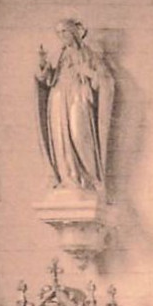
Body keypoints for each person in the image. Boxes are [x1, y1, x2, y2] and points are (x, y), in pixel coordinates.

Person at [36, 18, 115, 193]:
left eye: (64, 31)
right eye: (59, 33)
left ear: (73, 33)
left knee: (79, 133)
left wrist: (87, 72)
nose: (61, 36)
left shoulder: (89, 55)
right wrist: (42, 63)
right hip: (57, 98)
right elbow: (46, 80)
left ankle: (90, 178)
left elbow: (105, 80)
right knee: (60, 137)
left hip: (78, 97)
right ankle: (68, 178)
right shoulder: (59, 55)